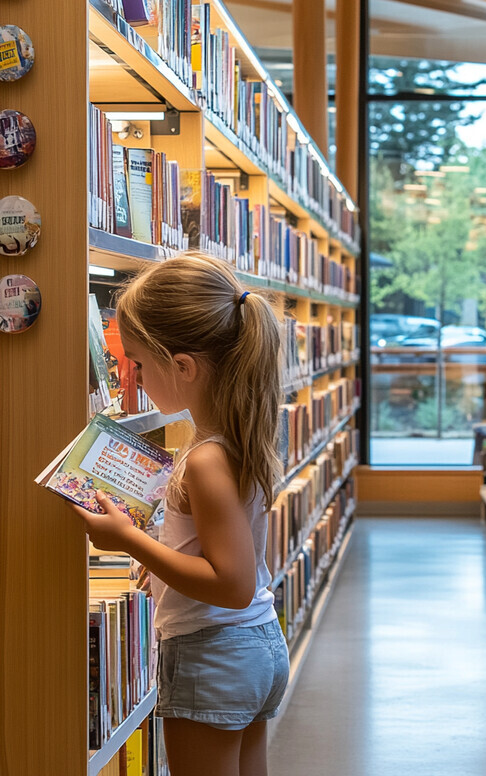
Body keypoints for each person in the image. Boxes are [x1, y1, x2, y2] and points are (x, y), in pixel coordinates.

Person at [65, 252, 289, 776]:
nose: (134, 378)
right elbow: (228, 560)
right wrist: (163, 556)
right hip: (255, 644)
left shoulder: (206, 460)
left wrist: (130, 541)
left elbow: (229, 583)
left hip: (214, 654)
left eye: (139, 364)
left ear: (182, 366)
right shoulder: (234, 438)